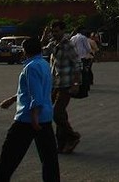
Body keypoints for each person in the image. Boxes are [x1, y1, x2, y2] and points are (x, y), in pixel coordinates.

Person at [0, 36, 60, 182]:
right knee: (49, 159)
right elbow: (34, 90)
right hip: (45, 117)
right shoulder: (44, 64)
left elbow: (36, 95)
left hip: (27, 119)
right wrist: (12, 99)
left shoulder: (31, 67)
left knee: (8, 159)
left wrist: (34, 118)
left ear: (24, 50)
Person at [43, 21, 82, 154]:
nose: (55, 34)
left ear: (63, 31)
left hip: (66, 84)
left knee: (57, 113)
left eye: (57, 31)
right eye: (53, 31)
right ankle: (61, 143)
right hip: (56, 83)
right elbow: (42, 51)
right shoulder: (53, 43)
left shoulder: (68, 45)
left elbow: (77, 64)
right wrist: (43, 38)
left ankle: (72, 136)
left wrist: (76, 83)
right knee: (59, 113)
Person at [69, 29, 93, 95]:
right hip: (82, 58)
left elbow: (70, 47)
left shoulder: (72, 38)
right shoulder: (83, 38)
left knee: (75, 73)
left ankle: (76, 86)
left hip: (74, 58)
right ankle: (85, 87)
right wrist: (90, 53)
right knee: (84, 73)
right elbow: (87, 47)